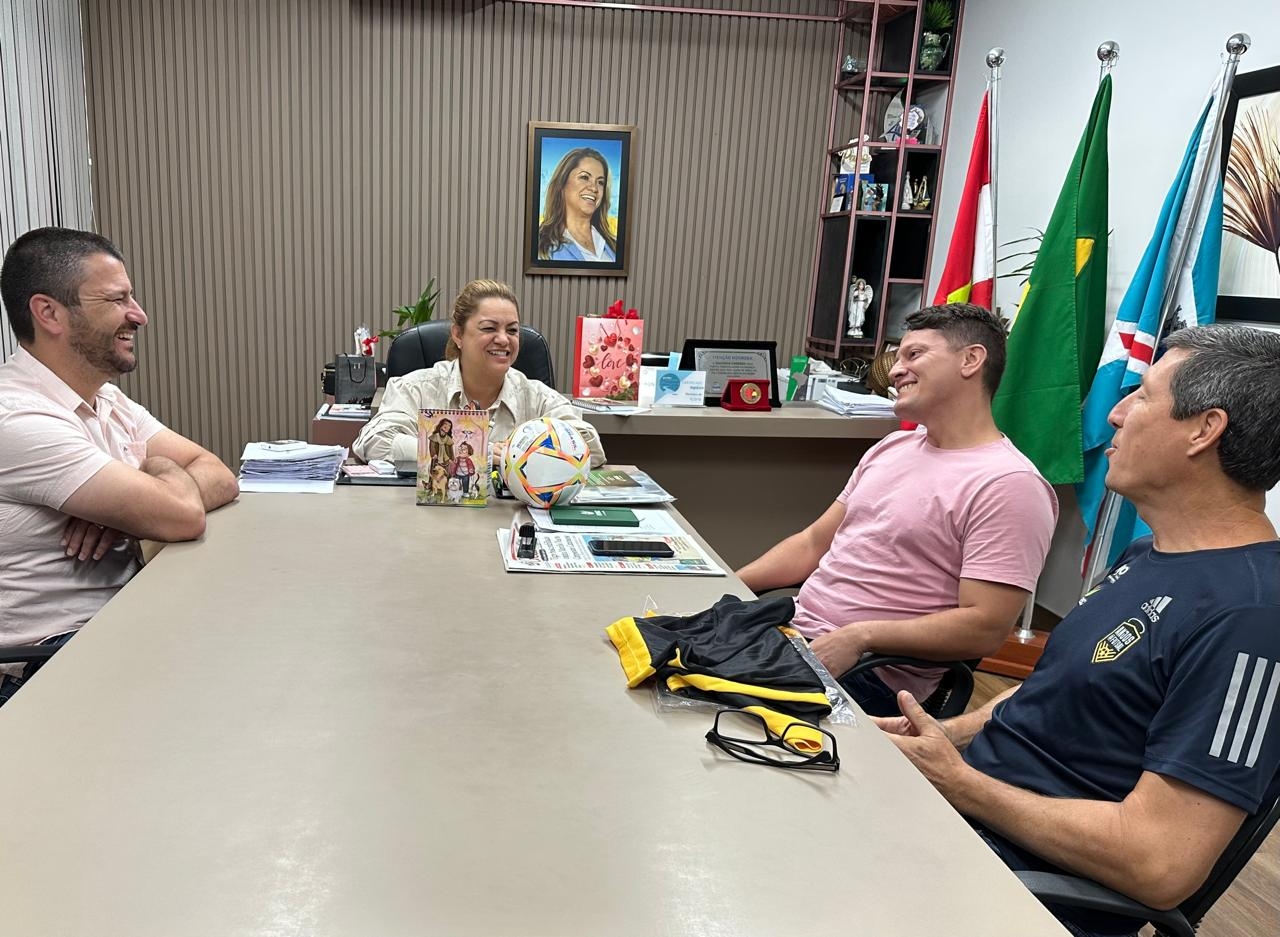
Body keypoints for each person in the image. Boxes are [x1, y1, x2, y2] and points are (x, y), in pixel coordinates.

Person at [877, 325, 1280, 937]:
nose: (1114, 413)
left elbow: (1159, 865)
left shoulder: (1252, 617)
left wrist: (960, 784)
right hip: (959, 826)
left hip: (1018, 894)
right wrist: (945, 735)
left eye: (1142, 395)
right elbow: (1064, 689)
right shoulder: (1148, 554)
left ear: (1204, 430)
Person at [736, 303, 1057, 716]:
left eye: (914, 355)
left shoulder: (1009, 484)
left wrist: (860, 636)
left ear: (971, 360)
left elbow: (985, 627)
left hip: (867, 672)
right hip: (791, 634)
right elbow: (814, 543)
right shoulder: (893, 447)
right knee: (661, 652)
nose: (895, 371)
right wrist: (729, 586)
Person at [0, 227, 239, 705]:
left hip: (121, 622)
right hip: (50, 662)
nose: (139, 315)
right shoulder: (18, 418)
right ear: (49, 313)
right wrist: (152, 486)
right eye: (116, 299)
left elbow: (217, 473)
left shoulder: (105, 398)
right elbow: (183, 514)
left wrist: (127, 508)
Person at [353, 278, 606, 468]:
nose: (503, 339)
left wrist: (523, 452)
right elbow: (375, 442)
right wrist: (475, 451)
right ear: (458, 334)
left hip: (512, 517)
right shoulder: (416, 388)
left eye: (512, 330)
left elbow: (590, 447)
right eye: (489, 328)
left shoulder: (535, 396)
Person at [536, 147, 618, 263]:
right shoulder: (540, 245)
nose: (594, 188)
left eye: (600, 182)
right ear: (562, 184)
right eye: (584, 177)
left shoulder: (614, 245)